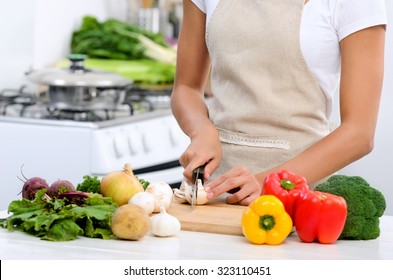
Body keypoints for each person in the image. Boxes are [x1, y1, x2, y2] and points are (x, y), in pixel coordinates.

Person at [170, 0, 388, 205]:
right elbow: (186, 88)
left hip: (302, 201)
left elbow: (359, 133)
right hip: (213, 195)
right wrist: (201, 132)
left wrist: (270, 183)